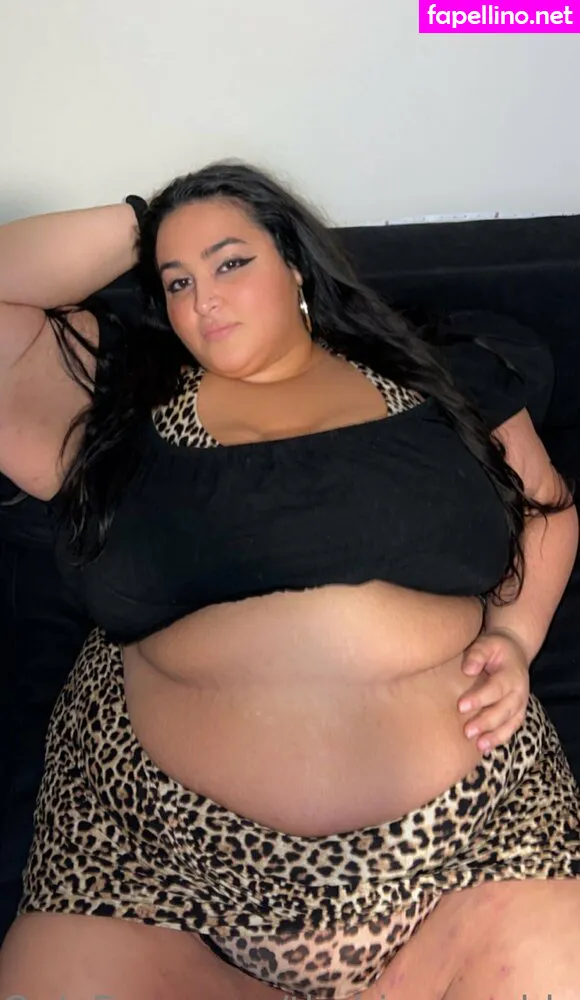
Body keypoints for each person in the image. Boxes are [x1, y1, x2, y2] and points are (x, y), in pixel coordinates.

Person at [0, 162, 578, 1000]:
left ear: (296, 263)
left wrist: (516, 637)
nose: (205, 299)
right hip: (157, 875)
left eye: (232, 261)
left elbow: (546, 508)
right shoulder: (118, 403)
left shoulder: (434, 368)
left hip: (469, 858)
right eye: (178, 281)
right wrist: (152, 220)